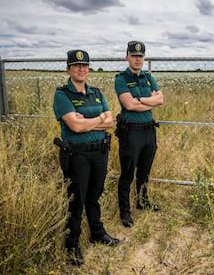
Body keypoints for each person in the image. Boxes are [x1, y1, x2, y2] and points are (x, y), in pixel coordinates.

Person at [53, 49, 119, 266]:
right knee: (76, 200)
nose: (81, 69)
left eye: (85, 65)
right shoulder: (62, 95)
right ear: (68, 68)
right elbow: (75, 126)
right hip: (77, 155)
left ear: (88, 69)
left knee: (94, 195)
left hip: (99, 152)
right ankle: (72, 245)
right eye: (76, 65)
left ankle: (97, 233)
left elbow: (110, 122)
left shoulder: (97, 92)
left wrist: (91, 119)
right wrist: (99, 117)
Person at [114, 41, 164, 227]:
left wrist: (140, 99)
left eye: (140, 56)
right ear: (127, 56)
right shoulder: (121, 79)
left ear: (144, 57)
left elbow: (161, 100)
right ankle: (125, 211)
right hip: (131, 132)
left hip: (149, 130)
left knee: (144, 171)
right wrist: (150, 101)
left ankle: (142, 201)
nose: (137, 59)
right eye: (134, 55)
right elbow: (129, 105)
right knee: (128, 172)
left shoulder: (148, 77)